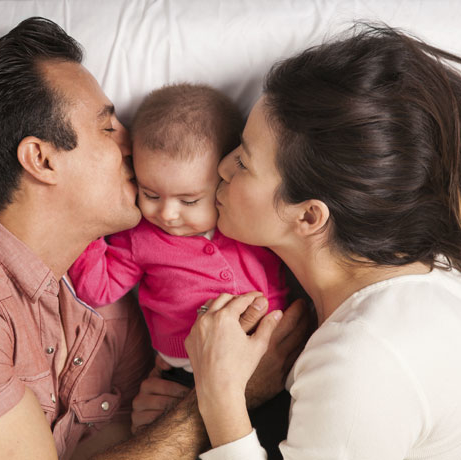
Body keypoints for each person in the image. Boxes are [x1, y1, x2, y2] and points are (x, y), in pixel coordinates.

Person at [0, 17, 311, 460]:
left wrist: (163, 414)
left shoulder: (119, 305)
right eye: (108, 128)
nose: (134, 142)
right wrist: (228, 396)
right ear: (42, 159)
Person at [185, 24, 461, 459]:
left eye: (243, 159)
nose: (220, 167)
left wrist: (218, 399)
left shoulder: (364, 359)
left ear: (309, 216)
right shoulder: (427, 267)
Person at [69, 83, 289, 386]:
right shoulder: (139, 238)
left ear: (227, 179)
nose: (168, 214)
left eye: (189, 201)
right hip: (187, 371)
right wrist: (90, 227)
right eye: (150, 194)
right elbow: (97, 290)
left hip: (271, 352)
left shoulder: (248, 223)